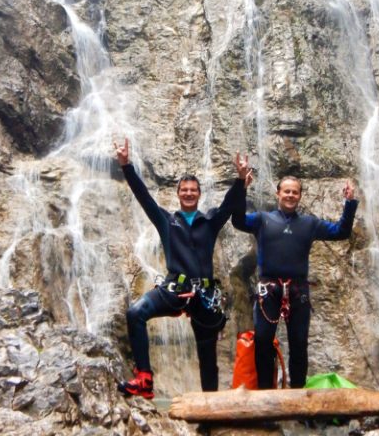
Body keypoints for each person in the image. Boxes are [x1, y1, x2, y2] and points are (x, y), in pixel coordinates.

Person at [114, 138, 253, 399]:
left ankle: (209, 408)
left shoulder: (210, 221)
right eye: (184, 190)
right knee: (135, 313)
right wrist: (125, 165)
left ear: (199, 194)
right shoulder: (167, 221)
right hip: (174, 288)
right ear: (178, 194)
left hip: (204, 295)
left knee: (208, 356)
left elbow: (228, 206)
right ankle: (144, 379)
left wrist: (239, 179)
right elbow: (143, 196)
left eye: (193, 190)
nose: (188, 193)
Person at [232, 168, 358, 389]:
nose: (290, 195)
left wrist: (349, 203)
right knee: (262, 342)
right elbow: (238, 221)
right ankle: (265, 395)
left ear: (300, 196)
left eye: (295, 192)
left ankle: (298, 395)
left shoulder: (310, 223)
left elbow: (341, 232)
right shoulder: (262, 219)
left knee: (299, 343)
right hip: (268, 290)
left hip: (298, 290)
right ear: (278, 194)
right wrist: (241, 187)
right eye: (286, 191)